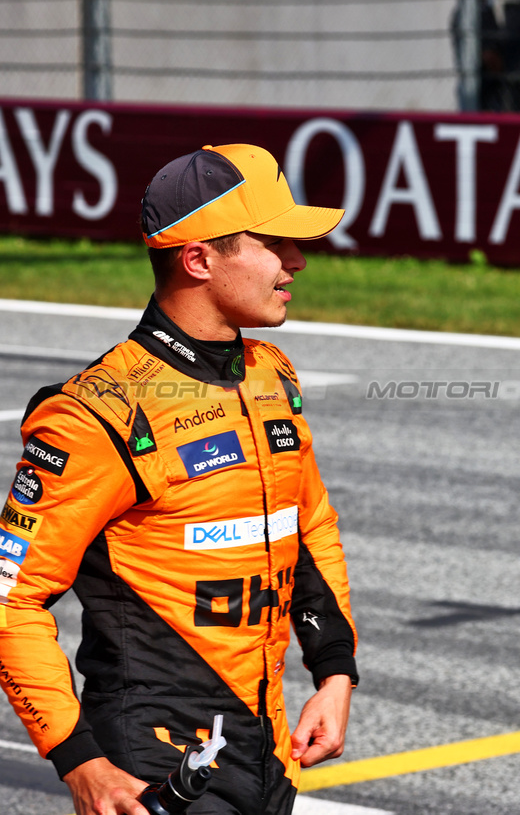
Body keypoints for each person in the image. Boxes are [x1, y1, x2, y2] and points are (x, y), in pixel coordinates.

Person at [0, 144, 360, 815]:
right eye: (275, 243)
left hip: (266, 747)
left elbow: (305, 525)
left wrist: (334, 670)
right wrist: (79, 762)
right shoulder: (96, 412)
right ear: (198, 259)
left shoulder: (272, 373)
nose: (297, 261)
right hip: (153, 756)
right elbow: (9, 599)